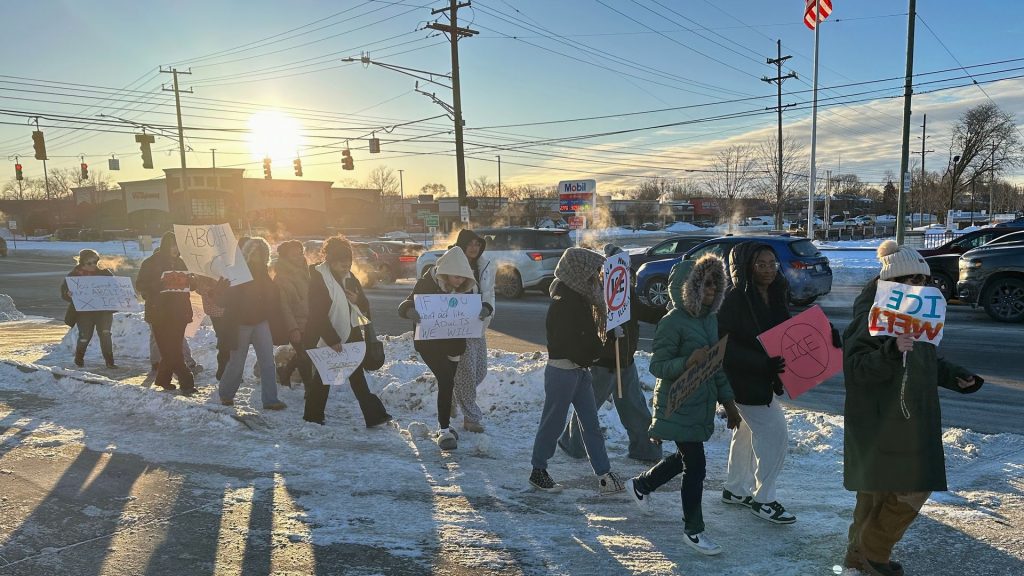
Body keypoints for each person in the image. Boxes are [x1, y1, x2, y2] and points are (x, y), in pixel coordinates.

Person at [842, 240, 984, 576]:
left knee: (887, 491)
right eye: (912, 280)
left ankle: (857, 557)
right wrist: (889, 350)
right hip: (879, 421)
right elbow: (857, 369)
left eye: (924, 280)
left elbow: (926, 360)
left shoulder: (915, 315)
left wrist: (955, 376)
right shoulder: (870, 316)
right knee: (886, 492)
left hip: (910, 418)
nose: (920, 287)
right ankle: (872, 555)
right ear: (892, 282)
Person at [626, 254, 740, 556]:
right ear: (688, 287)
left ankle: (642, 485)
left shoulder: (709, 319)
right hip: (676, 403)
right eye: (704, 284)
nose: (711, 290)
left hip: (699, 404)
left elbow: (714, 367)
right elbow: (658, 366)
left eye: (715, 285)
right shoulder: (671, 321)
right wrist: (687, 361)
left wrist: (729, 405)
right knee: (697, 467)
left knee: (684, 458)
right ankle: (693, 529)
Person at [528, 247, 625, 496]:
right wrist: (600, 349)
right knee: (553, 423)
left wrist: (607, 339)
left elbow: (586, 339)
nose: (596, 277)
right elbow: (570, 344)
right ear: (579, 272)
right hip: (562, 372)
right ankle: (538, 470)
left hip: (579, 371)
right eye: (592, 271)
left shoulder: (580, 298)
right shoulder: (564, 304)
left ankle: (604, 473)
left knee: (591, 423)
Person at [558, 244, 663, 463]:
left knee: (635, 409)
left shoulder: (627, 293)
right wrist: (606, 332)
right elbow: (586, 325)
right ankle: (572, 444)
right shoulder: (595, 291)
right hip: (602, 363)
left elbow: (644, 312)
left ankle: (644, 449)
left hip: (626, 361)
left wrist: (664, 312)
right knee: (588, 409)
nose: (624, 274)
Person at [717, 242, 797, 524]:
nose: (768, 270)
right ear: (746, 267)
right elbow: (723, 344)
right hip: (742, 380)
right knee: (775, 434)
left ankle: (736, 489)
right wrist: (761, 363)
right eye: (760, 264)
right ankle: (764, 500)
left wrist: (826, 340)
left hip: (763, 378)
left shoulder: (775, 294)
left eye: (772, 264)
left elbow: (787, 333)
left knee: (746, 433)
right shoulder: (736, 298)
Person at [303, 236, 391, 427]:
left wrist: (358, 300)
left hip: (351, 333)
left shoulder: (351, 278)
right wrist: (332, 338)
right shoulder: (319, 278)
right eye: (340, 262)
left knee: (357, 376)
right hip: (325, 335)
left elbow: (365, 307)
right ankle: (313, 416)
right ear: (330, 259)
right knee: (324, 376)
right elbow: (317, 312)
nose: (345, 265)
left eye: (348, 261)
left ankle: (373, 416)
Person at [398, 246, 477, 449]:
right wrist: (410, 311)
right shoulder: (428, 282)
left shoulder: (465, 287)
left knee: (447, 383)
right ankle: (443, 431)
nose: (459, 281)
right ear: (446, 271)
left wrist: (485, 308)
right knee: (445, 379)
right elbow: (405, 303)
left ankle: (446, 426)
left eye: (462, 277)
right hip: (430, 342)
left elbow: (478, 305)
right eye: (455, 276)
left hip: (454, 343)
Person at [217, 237, 287, 410]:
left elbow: (272, 299)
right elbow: (222, 301)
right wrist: (221, 290)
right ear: (247, 253)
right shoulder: (237, 272)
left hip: (261, 322)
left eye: (261, 252)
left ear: (266, 255)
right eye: (254, 251)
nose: (257, 255)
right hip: (240, 323)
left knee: (268, 362)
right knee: (237, 362)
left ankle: (270, 400)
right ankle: (226, 394)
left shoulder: (264, 273)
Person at [136, 232, 196, 394]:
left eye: (178, 246)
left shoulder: (182, 263)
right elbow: (140, 286)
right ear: (165, 246)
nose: (175, 249)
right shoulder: (151, 263)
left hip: (179, 312)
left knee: (173, 349)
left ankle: (166, 380)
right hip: (159, 313)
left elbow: (191, 286)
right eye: (172, 245)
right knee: (169, 350)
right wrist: (160, 284)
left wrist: (192, 281)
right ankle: (185, 381)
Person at [451, 229, 495, 433]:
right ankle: (471, 417)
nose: (474, 248)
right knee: (467, 372)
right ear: (462, 244)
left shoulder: (484, 264)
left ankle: (451, 394)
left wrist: (488, 308)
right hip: (458, 325)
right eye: (470, 244)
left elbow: (489, 293)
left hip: (478, 324)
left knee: (481, 370)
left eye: (478, 244)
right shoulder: (450, 262)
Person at [60, 249, 117, 368]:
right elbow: (64, 292)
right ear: (82, 263)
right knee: (85, 336)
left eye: (94, 262)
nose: (92, 266)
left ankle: (110, 361)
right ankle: (79, 358)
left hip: (103, 311)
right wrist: (68, 294)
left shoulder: (105, 273)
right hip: (84, 312)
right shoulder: (74, 276)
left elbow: (115, 288)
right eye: (89, 263)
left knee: (105, 334)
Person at [273, 239, 311, 388]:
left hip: (310, 321)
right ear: (285, 258)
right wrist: (293, 329)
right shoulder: (281, 279)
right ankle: (310, 388)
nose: (299, 257)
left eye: (300, 253)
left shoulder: (305, 273)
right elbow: (284, 307)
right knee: (304, 356)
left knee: (307, 352)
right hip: (295, 323)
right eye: (294, 255)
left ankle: (285, 372)